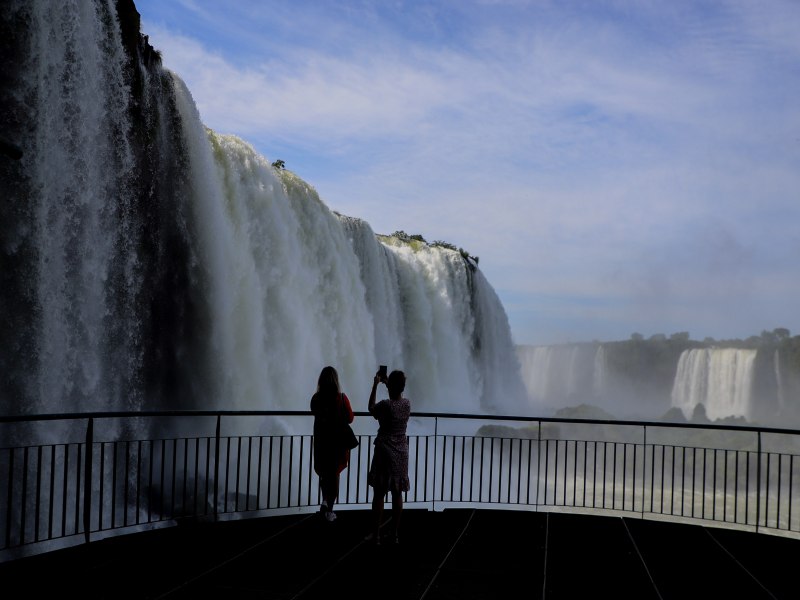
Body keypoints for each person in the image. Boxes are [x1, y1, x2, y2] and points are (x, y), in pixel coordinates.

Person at [366, 368, 411, 545]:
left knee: (379, 493)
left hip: (384, 451)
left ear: (390, 386)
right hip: (401, 452)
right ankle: (394, 534)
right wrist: (388, 383)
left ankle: (376, 536)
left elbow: (371, 408)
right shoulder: (407, 404)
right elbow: (396, 397)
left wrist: (375, 385)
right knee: (397, 492)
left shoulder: (386, 405)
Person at [310, 366, 354, 522]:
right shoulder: (341, 398)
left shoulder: (316, 398)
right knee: (334, 476)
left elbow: (314, 411)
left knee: (324, 474)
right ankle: (330, 510)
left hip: (322, 443)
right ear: (336, 380)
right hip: (337, 445)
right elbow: (350, 418)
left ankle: (324, 500)